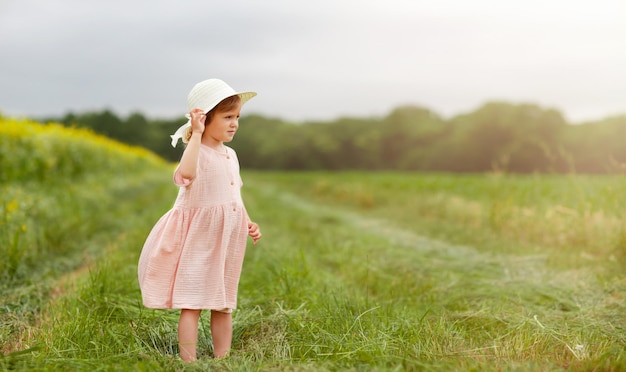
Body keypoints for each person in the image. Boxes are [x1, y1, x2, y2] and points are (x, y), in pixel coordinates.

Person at [137, 78, 262, 362]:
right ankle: (189, 361)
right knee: (191, 302)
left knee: (224, 301)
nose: (235, 124)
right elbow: (187, 173)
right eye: (228, 117)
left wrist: (247, 222)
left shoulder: (231, 155)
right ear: (206, 118)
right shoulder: (197, 152)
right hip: (199, 238)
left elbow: (234, 197)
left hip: (227, 238)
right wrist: (195, 134)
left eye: (237, 117)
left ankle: (222, 359)